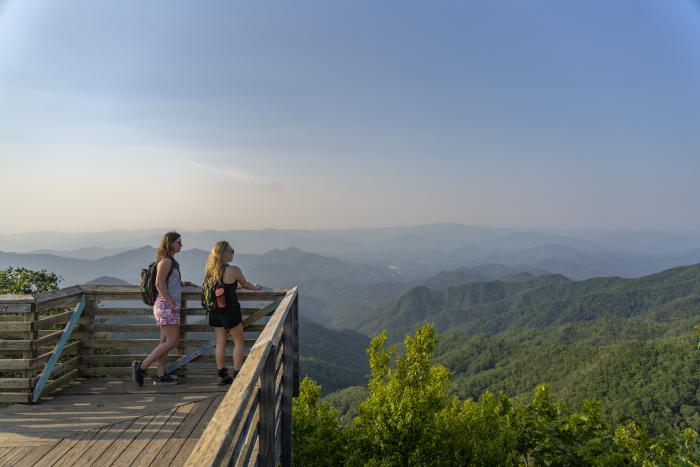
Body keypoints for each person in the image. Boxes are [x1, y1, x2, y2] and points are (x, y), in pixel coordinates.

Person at [132, 231, 192, 386]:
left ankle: (160, 374)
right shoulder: (166, 261)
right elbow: (159, 284)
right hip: (166, 306)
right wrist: (171, 302)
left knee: (165, 341)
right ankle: (142, 366)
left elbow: (166, 283)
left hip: (165, 305)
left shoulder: (168, 261)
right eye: (178, 242)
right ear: (170, 243)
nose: (181, 245)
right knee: (172, 341)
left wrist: (183, 284)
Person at [204, 241, 261, 384]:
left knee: (220, 341)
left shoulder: (210, 270)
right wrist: (257, 287)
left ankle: (222, 374)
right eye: (231, 250)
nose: (233, 253)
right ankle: (238, 374)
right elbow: (246, 284)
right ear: (224, 253)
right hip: (230, 310)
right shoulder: (233, 270)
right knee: (238, 341)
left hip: (215, 311)